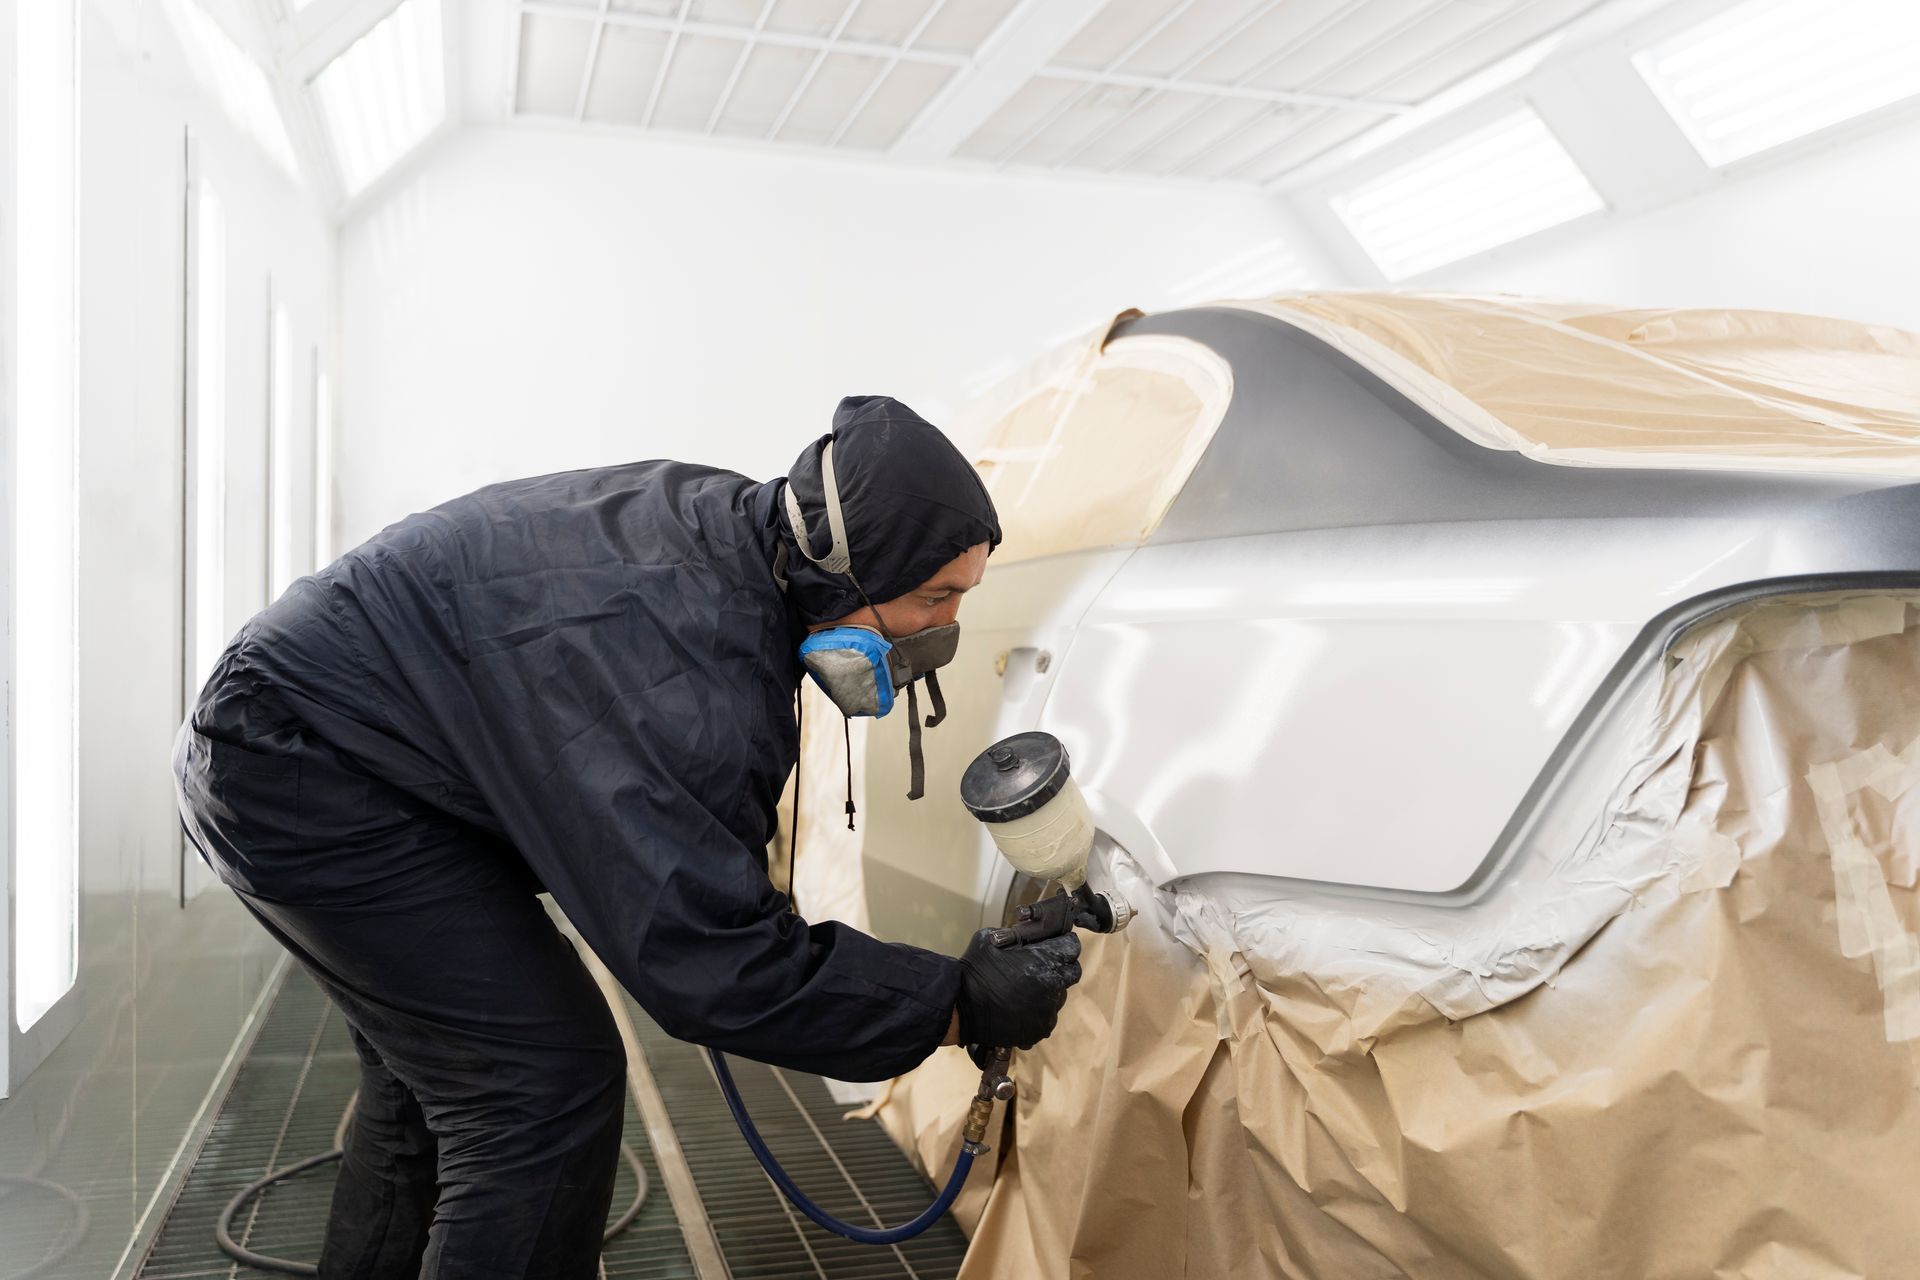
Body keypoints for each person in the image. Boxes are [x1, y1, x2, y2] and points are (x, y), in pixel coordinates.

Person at [173, 395, 1083, 1280]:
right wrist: (954, 1002)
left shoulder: (743, 537)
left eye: (963, 597)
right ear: (848, 567)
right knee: (540, 1087)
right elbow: (708, 957)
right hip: (301, 768)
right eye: (933, 597)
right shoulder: (694, 664)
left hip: (328, 742)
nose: (947, 632)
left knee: (440, 1078)